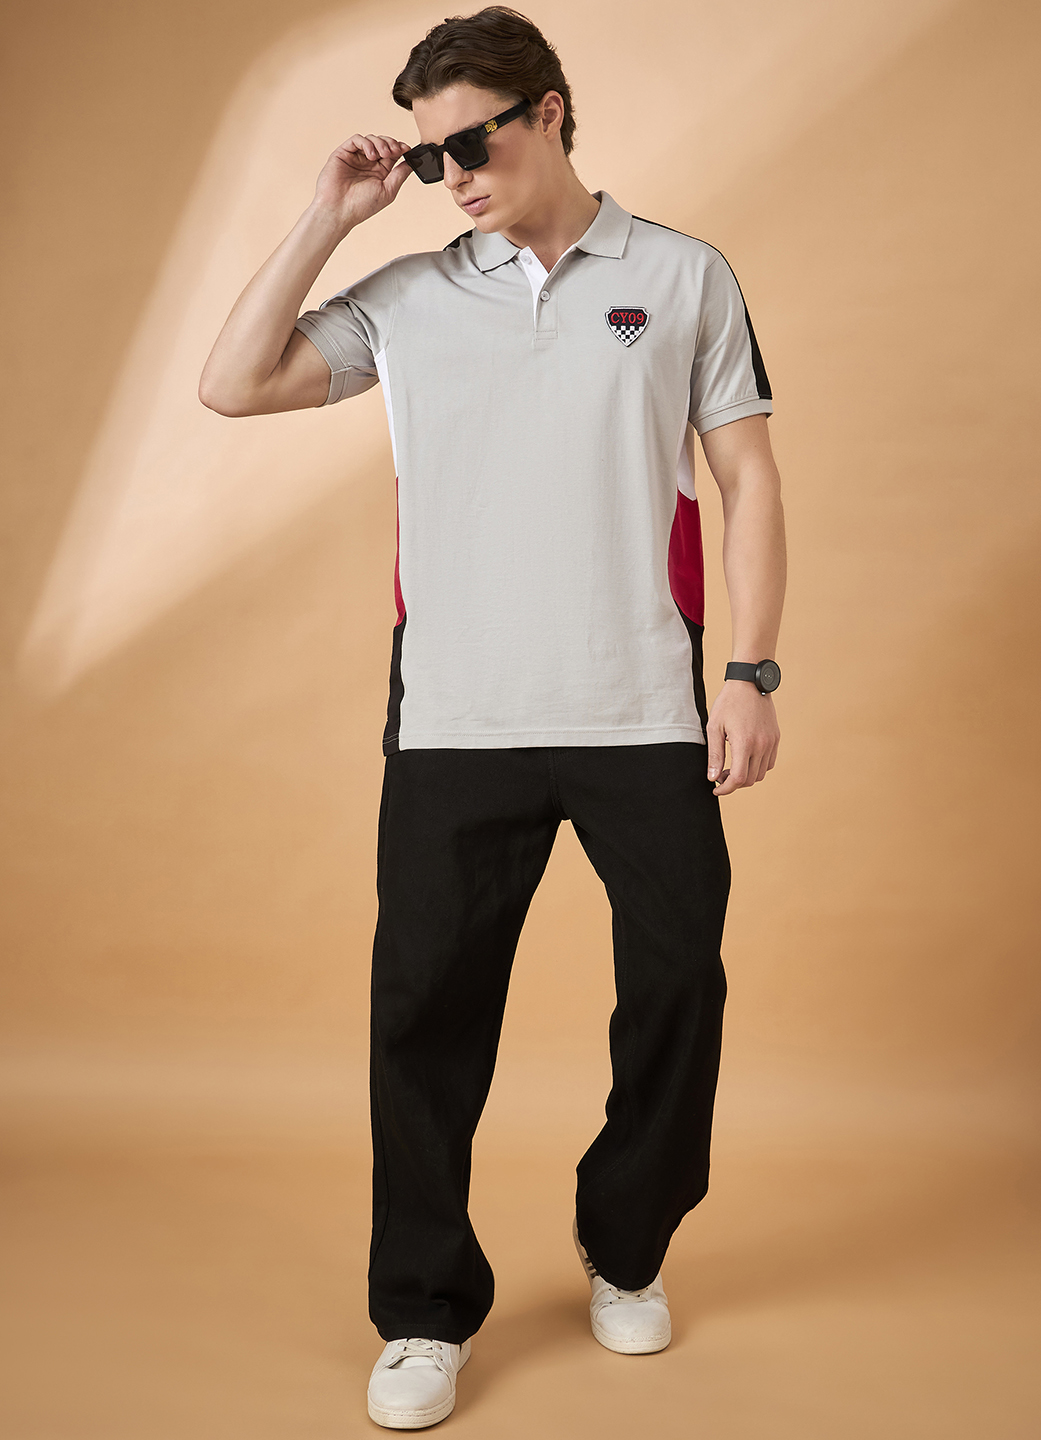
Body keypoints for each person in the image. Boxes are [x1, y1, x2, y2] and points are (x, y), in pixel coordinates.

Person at [200, 5, 786, 1429]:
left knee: (680, 986)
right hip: (456, 716)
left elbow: (748, 479)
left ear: (552, 112)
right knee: (426, 1015)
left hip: (641, 704)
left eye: (472, 141)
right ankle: (421, 1312)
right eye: (429, 156)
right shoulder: (407, 299)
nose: (452, 173)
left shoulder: (683, 275)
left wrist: (751, 672)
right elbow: (231, 384)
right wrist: (330, 216)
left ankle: (626, 1242)